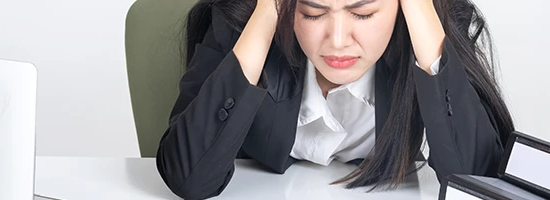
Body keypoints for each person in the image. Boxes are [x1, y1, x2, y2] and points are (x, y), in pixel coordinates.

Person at [156, 0, 514, 199]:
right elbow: (189, 179)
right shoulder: (240, 21)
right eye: (313, 12)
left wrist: (424, 13)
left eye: (363, 13)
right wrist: (265, 14)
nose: (338, 40)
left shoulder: (429, 26)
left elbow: (476, 180)